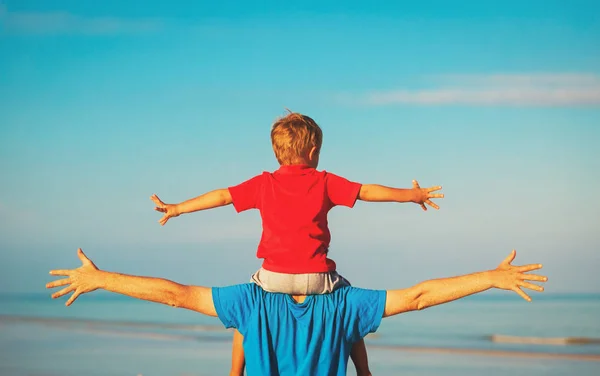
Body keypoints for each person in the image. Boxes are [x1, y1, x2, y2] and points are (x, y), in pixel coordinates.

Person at [149, 112, 444, 375]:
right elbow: (367, 192)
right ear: (314, 151)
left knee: (247, 308)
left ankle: (234, 372)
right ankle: (364, 372)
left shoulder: (264, 183)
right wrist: (412, 195)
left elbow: (222, 196)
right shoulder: (324, 181)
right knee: (348, 306)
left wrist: (178, 208)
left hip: (273, 279)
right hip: (318, 280)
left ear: (277, 153)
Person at [47, 248, 546, 376]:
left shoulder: (247, 300)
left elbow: (176, 294)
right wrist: (491, 277)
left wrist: (99, 279)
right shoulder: (347, 302)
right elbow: (416, 296)